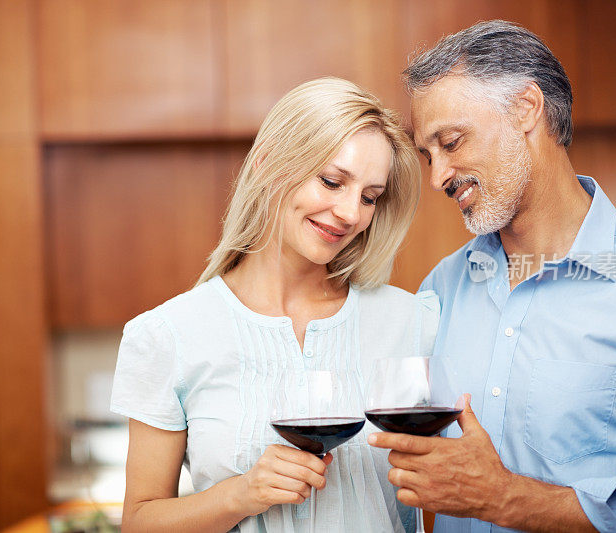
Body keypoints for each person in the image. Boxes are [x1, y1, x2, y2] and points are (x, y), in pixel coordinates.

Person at [368, 20, 616, 532]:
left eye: (451, 142)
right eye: (427, 154)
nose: (437, 177)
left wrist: (505, 499)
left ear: (526, 109)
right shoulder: (441, 290)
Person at [110, 77, 439, 532]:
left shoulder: (411, 323)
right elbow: (139, 522)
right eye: (331, 181)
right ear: (267, 165)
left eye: (369, 197)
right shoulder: (168, 335)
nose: (350, 214)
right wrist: (240, 495)